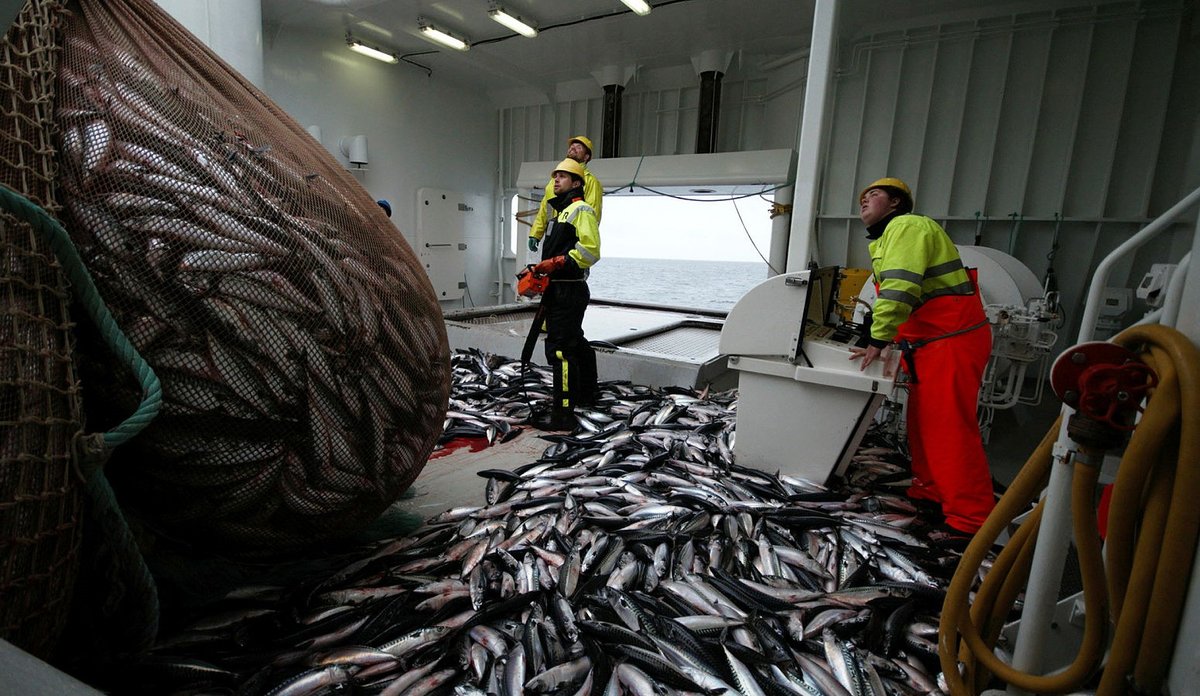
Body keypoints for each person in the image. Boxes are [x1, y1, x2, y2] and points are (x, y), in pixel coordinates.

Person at [849, 177, 994, 543]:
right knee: (924, 426)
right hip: (930, 345)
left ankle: (970, 520)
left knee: (949, 431)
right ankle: (930, 493)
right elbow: (911, 298)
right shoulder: (887, 238)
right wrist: (880, 335)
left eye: (874, 195)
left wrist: (878, 337)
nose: (865, 200)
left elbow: (900, 288)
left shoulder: (908, 226)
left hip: (951, 341)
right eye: (862, 196)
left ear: (896, 204)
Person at [528, 158, 601, 431]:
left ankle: (563, 414)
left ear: (577, 183)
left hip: (569, 287)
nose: (556, 180)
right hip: (559, 288)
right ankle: (588, 394)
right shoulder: (559, 212)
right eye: (555, 176)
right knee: (575, 342)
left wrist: (557, 262)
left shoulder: (581, 210)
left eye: (563, 176)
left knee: (560, 351)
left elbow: (591, 251)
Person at [527, 136, 602, 254]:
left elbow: (593, 215)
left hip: (571, 241)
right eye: (572, 146)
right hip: (553, 235)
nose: (573, 148)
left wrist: (581, 244)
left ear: (586, 157)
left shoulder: (590, 182)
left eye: (579, 147)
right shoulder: (554, 180)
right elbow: (544, 209)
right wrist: (536, 233)